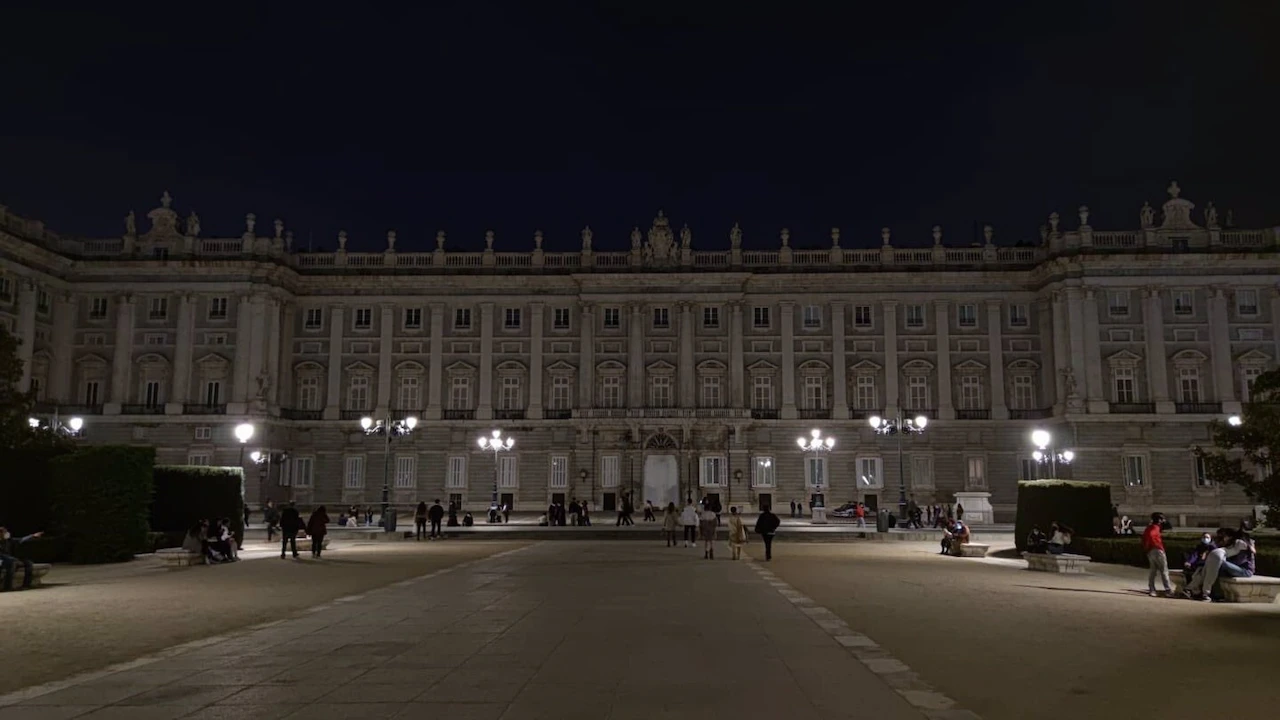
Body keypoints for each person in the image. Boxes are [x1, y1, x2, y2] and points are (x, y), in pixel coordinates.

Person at [1185, 528, 1256, 601]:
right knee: (1210, 565)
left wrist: (1249, 545)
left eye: (1223, 536)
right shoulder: (1228, 546)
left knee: (1216, 563)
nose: (1222, 539)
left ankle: (1200, 591)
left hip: (1245, 571)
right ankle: (1195, 590)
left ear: (1229, 536)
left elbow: (1248, 555)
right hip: (1233, 568)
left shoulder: (1239, 543)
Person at [0, 527, 43, 591]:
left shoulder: (9, 541)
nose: (7, 533)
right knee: (12, 564)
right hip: (3, 560)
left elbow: (22, 539)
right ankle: (8, 587)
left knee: (28, 563)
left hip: (12, 559)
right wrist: (12, 559)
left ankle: (26, 585)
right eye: (5, 532)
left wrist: (32, 536)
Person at [1142, 512, 1173, 597]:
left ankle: (1152, 589)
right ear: (1159, 520)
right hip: (1158, 550)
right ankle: (1168, 590)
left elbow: (1145, 539)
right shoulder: (1155, 528)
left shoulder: (1149, 527)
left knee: (1153, 571)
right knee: (1164, 570)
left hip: (1150, 551)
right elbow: (1169, 526)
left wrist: (1147, 549)